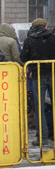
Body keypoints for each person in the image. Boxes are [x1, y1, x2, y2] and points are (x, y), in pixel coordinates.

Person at [20, 18, 55, 146]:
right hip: (52, 73)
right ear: (45, 27)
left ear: (33, 28)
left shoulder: (30, 40)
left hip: (37, 75)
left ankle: (43, 137)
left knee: (39, 107)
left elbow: (23, 57)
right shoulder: (52, 38)